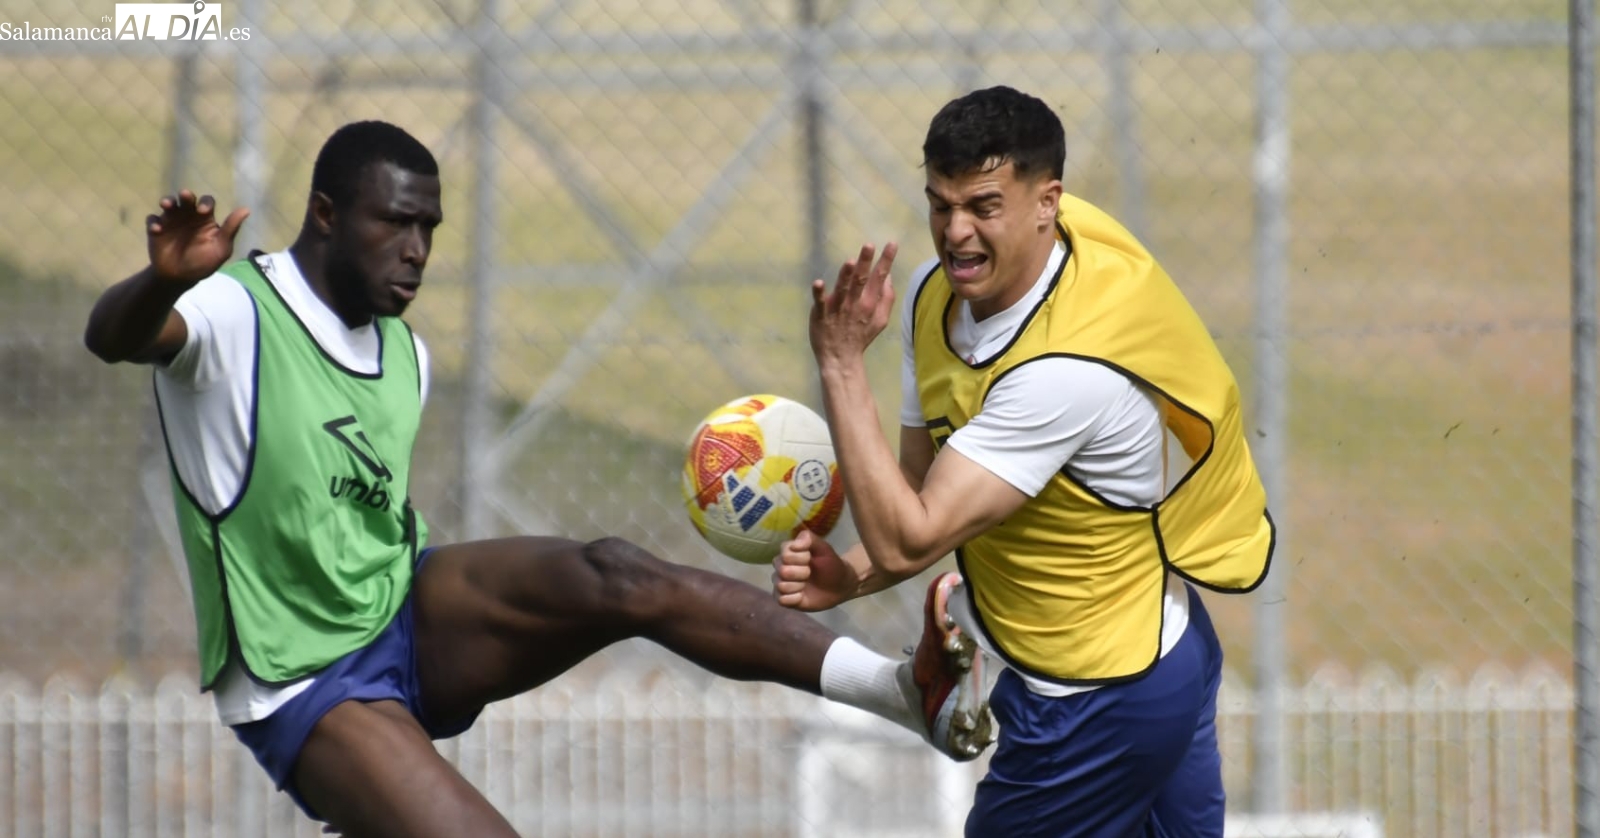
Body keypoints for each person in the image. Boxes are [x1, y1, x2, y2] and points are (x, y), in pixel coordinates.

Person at [83, 120, 993, 838]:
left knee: (618, 572)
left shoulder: (405, 353)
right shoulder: (232, 311)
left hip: (401, 612)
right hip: (302, 679)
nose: (416, 249)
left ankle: (898, 693)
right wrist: (159, 282)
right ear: (325, 214)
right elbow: (119, 338)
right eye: (393, 221)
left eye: (429, 228)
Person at [773, 85, 1275, 837]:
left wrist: (842, 367)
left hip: (1095, 702)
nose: (955, 233)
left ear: (1049, 202)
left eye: (983, 205)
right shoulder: (931, 299)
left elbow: (912, 534)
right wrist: (850, 575)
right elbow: (917, 488)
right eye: (940, 205)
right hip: (1158, 657)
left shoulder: (1063, 371)